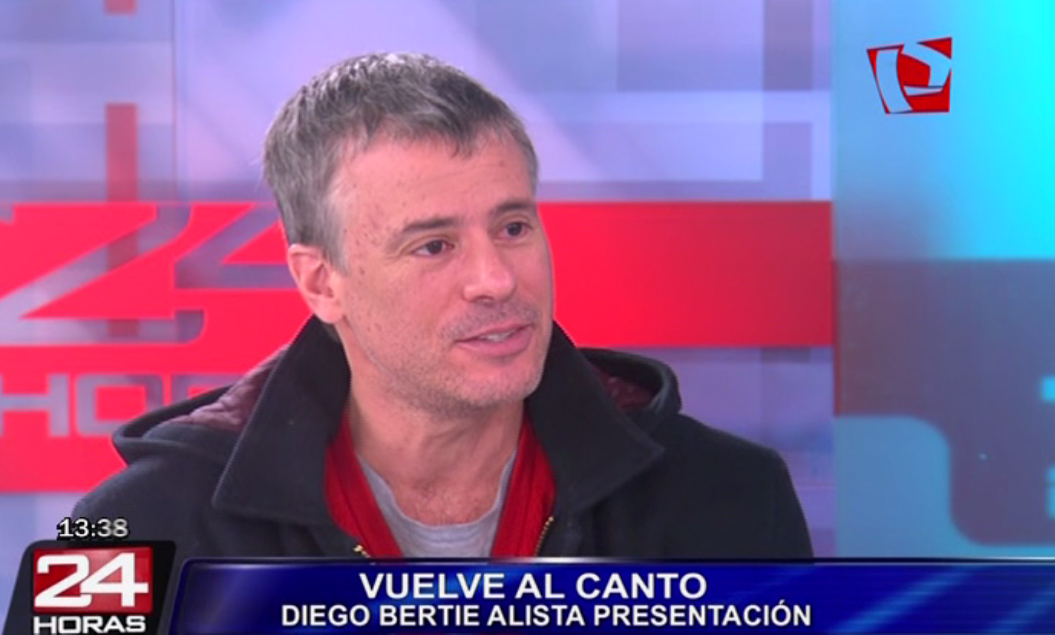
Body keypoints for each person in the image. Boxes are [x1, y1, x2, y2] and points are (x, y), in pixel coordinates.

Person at [73, 52, 813, 560]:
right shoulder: (139, 528)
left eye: (513, 227)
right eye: (434, 245)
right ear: (322, 282)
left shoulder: (728, 498)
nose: (496, 280)